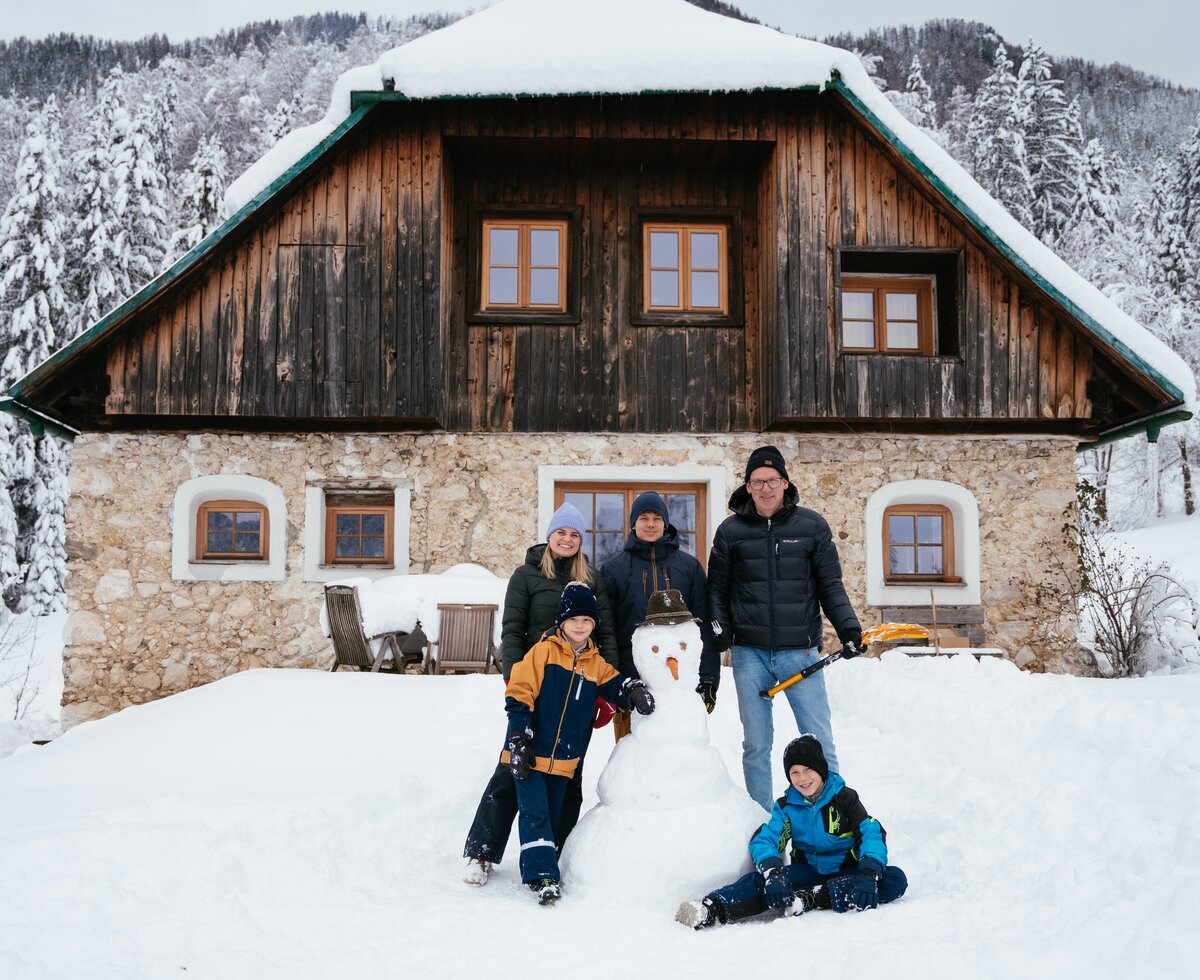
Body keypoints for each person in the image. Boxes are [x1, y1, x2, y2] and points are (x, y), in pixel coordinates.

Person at [462, 502, 618, 884]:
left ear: (581, 541)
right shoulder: (527, 574)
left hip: (579, 689)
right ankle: (482, 853)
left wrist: (606, 693)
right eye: (561, 532)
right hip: (536, 686)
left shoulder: (591, 579)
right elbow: (512, 629)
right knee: (513, 767)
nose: (567, 539)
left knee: (570, 774)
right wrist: (514, 678)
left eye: (574, 534)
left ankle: (555, 852)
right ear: (549, 536)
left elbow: (607, 635)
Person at [707, 445, 863, 810]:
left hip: (801, 652)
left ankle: (834, 815)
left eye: (772, 480)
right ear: (747, 486)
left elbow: (830, 586)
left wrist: (849, 629)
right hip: (749, 654)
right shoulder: (730, 532)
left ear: (785, 483)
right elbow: (717, 588)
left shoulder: (811, 527)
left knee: (819, 738)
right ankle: (764, 822)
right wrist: (720, 629)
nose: (765, 489)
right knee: (756, 744)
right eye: (757, 482)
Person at [504, 582, 656, 904]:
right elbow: (519, 693)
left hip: (564, 761)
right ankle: (542, 876)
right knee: (536, 813)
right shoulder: (543, 652)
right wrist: (518, 736)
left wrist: (632, 689)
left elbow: (614, 682)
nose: (580, 625)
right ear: (562, 620)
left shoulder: (594, 662)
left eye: (587, 621)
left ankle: (549, 863)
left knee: (556, 814)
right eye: (574, 619)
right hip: (531, 751)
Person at [675, 735, 907, 927]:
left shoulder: (845, 798)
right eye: (795, 772)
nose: (803, 778)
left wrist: (868, 873)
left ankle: (812, 898)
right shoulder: (787, 807)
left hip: (847, 870)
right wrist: (773, 873)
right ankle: (711, 909)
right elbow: (764, 840)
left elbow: (871, 833)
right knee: (764, 882)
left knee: (895, 878)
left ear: (821, 770)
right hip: (808, 870)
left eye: (808, 769)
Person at [601, 491, 719, 739]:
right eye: (644, 517)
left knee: (679, 757)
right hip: (634, 683)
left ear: (665, 523)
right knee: (633, 758)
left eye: (657, 517)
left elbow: (703, 625)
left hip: (681, 684)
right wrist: (619, 682)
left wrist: (708, 678)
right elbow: (607, 630)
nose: (651, 523)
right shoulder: (614, 570)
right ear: (633, 523)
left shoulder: (689, 567)